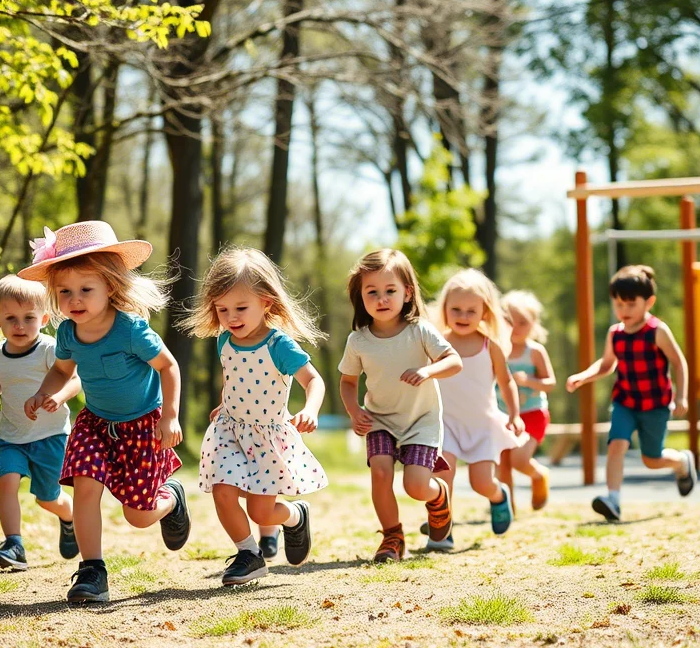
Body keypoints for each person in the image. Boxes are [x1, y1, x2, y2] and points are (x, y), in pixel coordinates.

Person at [20, 221, 190, 603]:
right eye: (65, 292)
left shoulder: (130, 330)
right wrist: (42, 392)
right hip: (95, 425)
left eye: (85, 289)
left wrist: (171, 416)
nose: (74, 300)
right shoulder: (66, 334)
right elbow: (62, 370)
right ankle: (92, 569)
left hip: (143, 426)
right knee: (85, 485)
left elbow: (169, 366)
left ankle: (172, 498)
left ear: (110, 287)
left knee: (138, 516)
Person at [182, 247, 328, 585]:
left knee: (261, 511)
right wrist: (224, 403)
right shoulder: (224, 342)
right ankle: (248, 553)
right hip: (230, 431)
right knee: (222, 489)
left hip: (267, 436)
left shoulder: (280, 345)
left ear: (267, 302)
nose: (231, 317)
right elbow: (231, 378)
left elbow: (314, 380)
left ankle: (293, 517)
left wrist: (310, 409)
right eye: (222, 309)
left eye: (241, 307)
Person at [339, 249, 462, 563]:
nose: (382, 298)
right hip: (379, 418)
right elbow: (349, 382)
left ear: (407, 293)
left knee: (415, 486)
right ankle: (392, 536)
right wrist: (354, 411)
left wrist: (427, 371)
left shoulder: (419, 330)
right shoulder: (358, 341)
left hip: (421, 420)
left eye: (390, 290)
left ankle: (438, 497)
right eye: (373, 292)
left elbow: (453, 361)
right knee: (380, 473)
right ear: (361, 297)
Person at [0, 275, 82, 571]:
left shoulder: (49, 349)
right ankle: (14, 544)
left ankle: (68, 516)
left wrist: (57, 397)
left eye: (28, 318)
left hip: (50, 435)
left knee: (48, 499)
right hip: (11, 436)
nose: (20, 326)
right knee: (6, 482)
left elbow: (74, 380)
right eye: (11, 318)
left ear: (44, 318)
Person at [566, 265, 695, 522]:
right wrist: (583, 376)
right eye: (618, 304)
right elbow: (606, 365)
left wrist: (681, 396)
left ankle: (681, 462)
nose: (623, 311)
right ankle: (613, 500)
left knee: (652, 459)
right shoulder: (615, 334)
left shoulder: (658, 331)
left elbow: (679, 363)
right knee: (616, 446)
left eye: (630, 304)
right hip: (625, 401)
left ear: (649, 302)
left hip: (655, 405)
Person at [432, 270, 525, 547]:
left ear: (485, 311)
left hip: (482, 425)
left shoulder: (490, 345)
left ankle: (499, 497)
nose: (463, 316)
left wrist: (515, 414)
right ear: (445, 309)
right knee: (442, 480)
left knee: (481, 482)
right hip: (446, 424)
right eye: (456, 309)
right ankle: (443, 531)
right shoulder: (437, 342)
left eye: (471, 310)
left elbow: (507, 382)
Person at [498, 291, 555, 511]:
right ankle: (506, 507)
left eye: (523, 322)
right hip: (502, 414)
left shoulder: (535, 351)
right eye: (510, 322)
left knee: (519, 459)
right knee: (502, 464)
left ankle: (538, 475)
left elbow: (550, 383)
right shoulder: (497, 350)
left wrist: (530, 381)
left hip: (533, 413)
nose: (516, 328)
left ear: (533, 324)